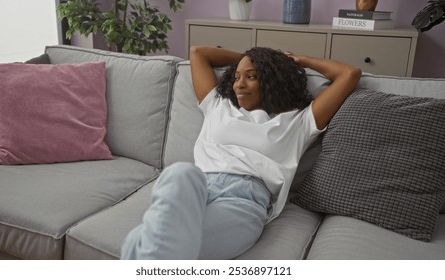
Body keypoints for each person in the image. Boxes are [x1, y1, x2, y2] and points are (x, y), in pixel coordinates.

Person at [121, 46, 361, 260]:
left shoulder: (299, 122)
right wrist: (251, 59)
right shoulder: (219, 104)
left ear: (271, 79)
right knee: (180, 174)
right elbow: (198, 53)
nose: (239, 85)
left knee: (147, 245)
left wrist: (294, 60)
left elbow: (349, 74)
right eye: (236, 77)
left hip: (242, 201)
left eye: (251, 77)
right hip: (197, 186)